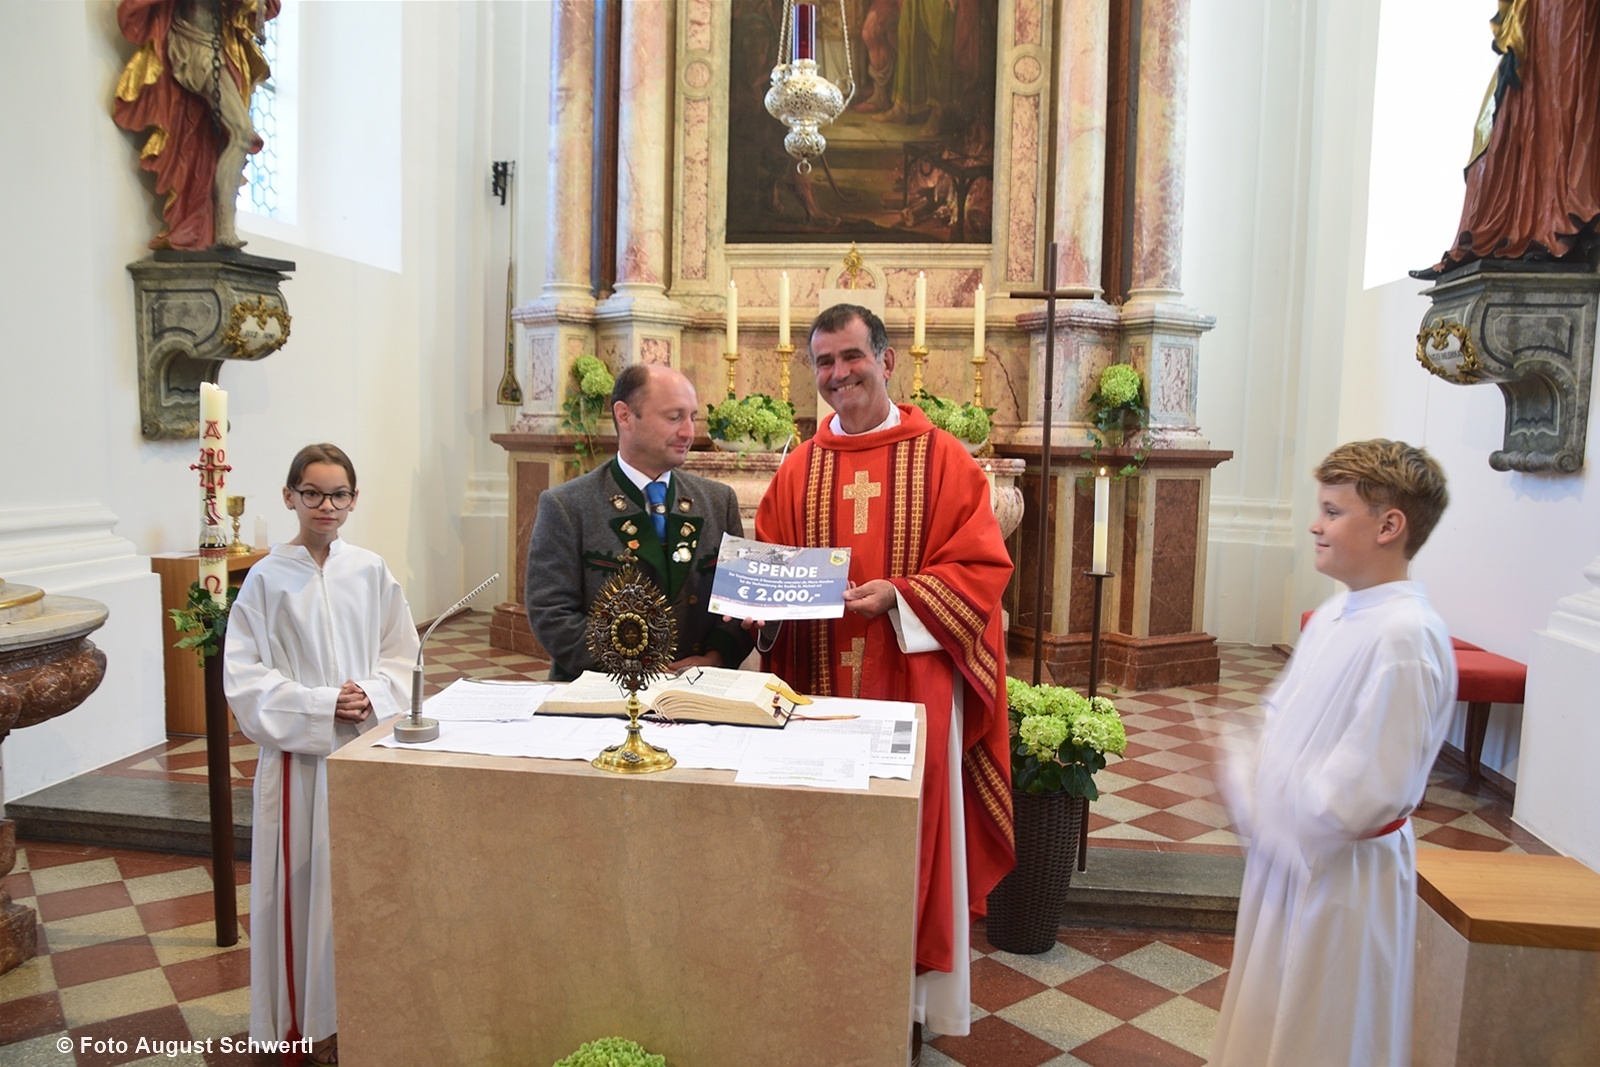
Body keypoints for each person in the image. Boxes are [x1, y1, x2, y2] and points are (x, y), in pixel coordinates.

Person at [753, 304, 1014, 1045]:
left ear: (887, 360)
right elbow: (768, 565)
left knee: (910, 836)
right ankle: (821, 988)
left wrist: (900, 595)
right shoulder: (798, 468)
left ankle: (905, 1009)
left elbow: (981, 569)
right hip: (813, 688)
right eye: (824, 362)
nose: (839, 375)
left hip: (912, 687)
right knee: (815, 836)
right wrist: (756, 605)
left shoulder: (945, 461)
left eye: (852, 357)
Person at [1209, 439, 1457, 1067]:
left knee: (1323, 1032)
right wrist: (1250, 765)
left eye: (1333, 511)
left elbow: (1367, 789)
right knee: (1267, 1019)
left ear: (1389, 526)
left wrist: (1272, 805)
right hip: (1292, 857)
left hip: (1342, 874)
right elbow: (1281, 717)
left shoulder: (1404, 637)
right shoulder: (1339, 612)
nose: (1315, 525)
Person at [224, 444, 417, 1067]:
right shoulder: (266, 578)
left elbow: (402, 655)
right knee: (301, 893)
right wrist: (319, 704)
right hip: (299, 762)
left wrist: (372, 693)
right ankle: (305, 1024)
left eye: (338, 495)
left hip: (364, 749)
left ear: (354, 500)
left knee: (361, 888)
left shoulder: (369, 570)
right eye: (312, 493)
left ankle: (360, 1015)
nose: (325, 506)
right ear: (290, 497)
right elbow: (244, 677)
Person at [525, 364, 752, 679]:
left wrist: (716, 657)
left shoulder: (717, 501)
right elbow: (552, 615)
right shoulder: (567, 505)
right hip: (604, 689)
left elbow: (739, 601)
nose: (688, 432)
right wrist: (640, 669)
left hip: (698, 688)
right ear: (625, 415)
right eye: (674, 417)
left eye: (692, 417)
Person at [113, 0, 278, 250]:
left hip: (219, 48)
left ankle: (219, 227)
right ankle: (224, 230)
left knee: (219, 141)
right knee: (242, 133)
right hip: (194, 46)